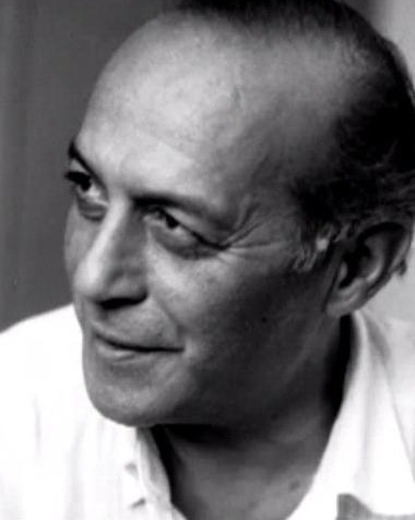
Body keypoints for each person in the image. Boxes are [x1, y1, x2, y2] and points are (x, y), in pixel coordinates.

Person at [1, 0, 415, 518]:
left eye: (175, 225)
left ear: (355, 266)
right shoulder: (13, 411)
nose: (93, 278)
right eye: (87, 188)